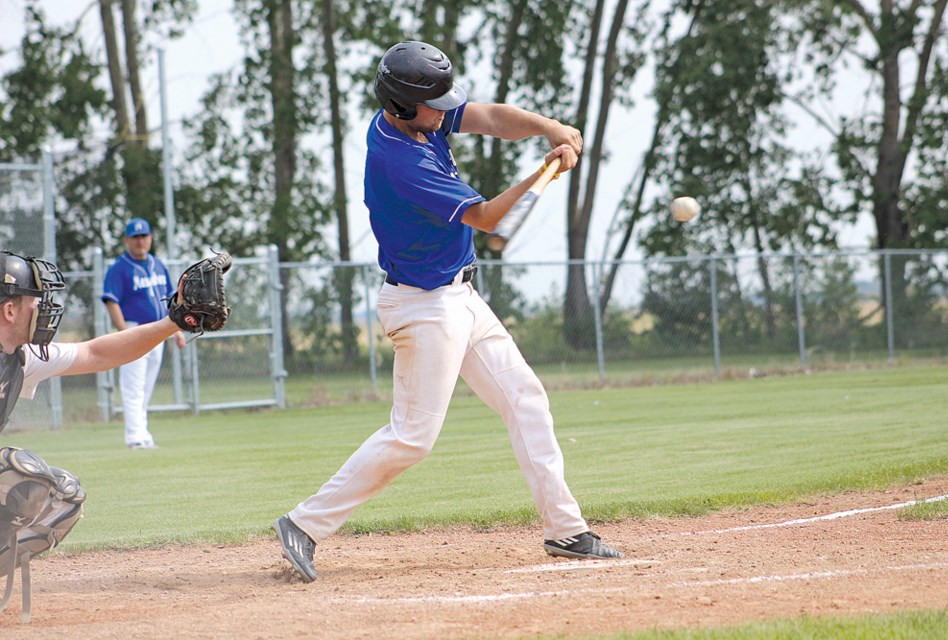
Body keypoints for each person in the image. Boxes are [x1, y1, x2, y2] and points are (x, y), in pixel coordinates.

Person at [274, 41, 623, 583]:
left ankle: (566, 529)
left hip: (458, 295)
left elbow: (488, 116)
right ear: (403, 105)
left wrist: (547, 127)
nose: (446, 112)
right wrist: (544, 172)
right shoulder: (401, 158)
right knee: (413, 436)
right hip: (423, 305)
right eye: (435, 104)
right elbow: (486, 220)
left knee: (525, 398)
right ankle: (303, 523)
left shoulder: (417, 119)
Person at [0, 249, 192, 621]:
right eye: (34, 301)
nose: (42, 309)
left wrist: (172, 322)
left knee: (61, 497)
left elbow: (97, 353)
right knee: (15, 472)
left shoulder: (20, 356)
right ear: (10, 310)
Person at [102, 218, 185, 449]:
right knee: (133, 386)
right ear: (127, 240)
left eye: (144, 236)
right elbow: (111, 301)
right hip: (134, 328)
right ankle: (135, 438)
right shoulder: (119, 267)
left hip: (158, 330)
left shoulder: (158, 264)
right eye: (135, 237)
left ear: (150, 238)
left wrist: (176, 330)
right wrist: (125, 333)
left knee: (146, 386)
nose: (140, 241)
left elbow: (172, 299)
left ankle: (143, 433)